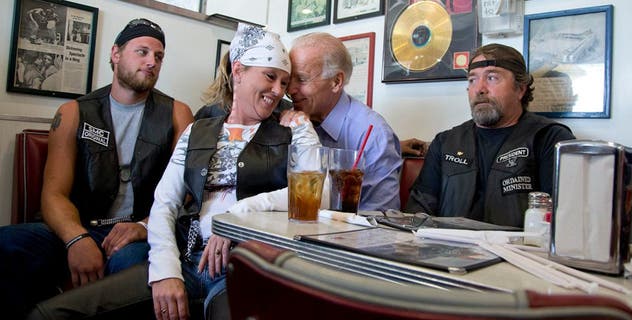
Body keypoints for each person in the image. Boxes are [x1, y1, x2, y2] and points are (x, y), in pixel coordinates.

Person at [26, 22, 319, 320]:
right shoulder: (198, 131)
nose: (278, 90)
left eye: (284, 83)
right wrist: (166, 272)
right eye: (270, 77)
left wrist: (234, 218)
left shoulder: (295, 128)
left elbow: (316, 197)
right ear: (239, 71)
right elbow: (165, 204)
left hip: (245, 267)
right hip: (188, 260)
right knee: (49, 314)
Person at [0, 18, 193, 319]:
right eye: (142, 52)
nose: (152, 62)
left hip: (137, 229)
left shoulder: (177, 114)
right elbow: (53, 195)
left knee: (132, 266)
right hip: (81, 225)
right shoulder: (73, 112)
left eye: (158, 57)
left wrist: (143, 226)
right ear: (116, 54)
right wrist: (77, 238)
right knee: (8, 242)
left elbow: (186, 192)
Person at [405, 43, 575, 228]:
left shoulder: (550, 138)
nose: (480, 89)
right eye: (472, 80)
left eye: (492, 78)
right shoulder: (446, 142)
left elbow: (566, 221)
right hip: (449, 252)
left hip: (515, 254)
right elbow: (418, 212)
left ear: (520, 89)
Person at [287, 32, 403, 211]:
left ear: (336, 81)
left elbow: (382, 217)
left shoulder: (373, 134)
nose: (290, 89)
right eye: (289, 79)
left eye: (301, 79)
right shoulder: (287, 119)